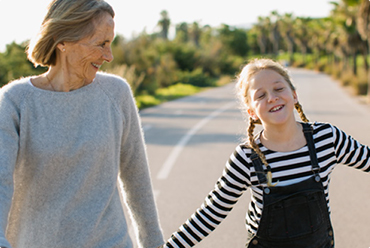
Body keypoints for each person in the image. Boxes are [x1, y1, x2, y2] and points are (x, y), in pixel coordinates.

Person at [0, 0, 164, 247]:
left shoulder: (116, 94)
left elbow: (136, 178)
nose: (108, 56)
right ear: (62, 40)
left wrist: (154, 244)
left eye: (110, 44)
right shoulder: (16, 101)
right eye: (101, 44)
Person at [163, 58, 370, 248]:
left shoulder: (326, 138)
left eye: (279, 88)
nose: (272, 98)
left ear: (294, 94)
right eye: (260, 95)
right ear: (251, 111)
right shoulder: (247, 158)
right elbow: (210, 213)